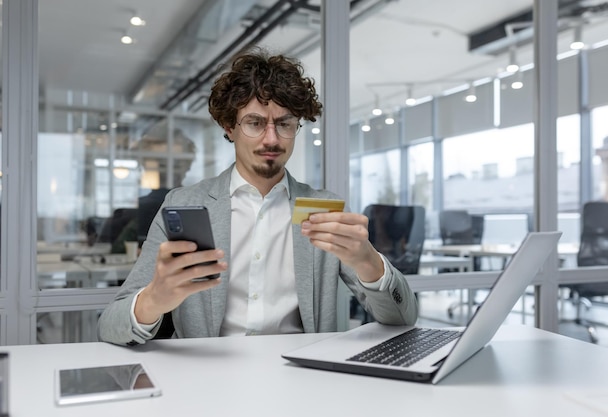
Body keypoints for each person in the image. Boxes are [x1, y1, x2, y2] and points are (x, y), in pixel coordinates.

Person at [97, 47, 418, 346]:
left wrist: (367, 261)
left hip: (305, 380)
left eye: (284, 124)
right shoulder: (182, 204)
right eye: (255, 123)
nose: (272, 138)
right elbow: (109, 326)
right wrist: (155, 299)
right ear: (229, 126)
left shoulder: (323, 210)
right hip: (207, 382)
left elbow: (403, 318)